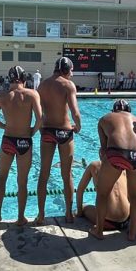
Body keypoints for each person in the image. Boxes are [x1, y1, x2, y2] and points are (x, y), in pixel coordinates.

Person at [0, 66, 43, 226]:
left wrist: (5, 126)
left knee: (2, 178)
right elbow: (40, 119)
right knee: (22, 181)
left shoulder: (2, 96)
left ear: (9, 80)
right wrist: (31, 132)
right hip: (25, 141)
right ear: (24, 80)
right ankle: (20, 217)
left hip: (8, 141)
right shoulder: (32, 94)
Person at [36, 57, 82, 225]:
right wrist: (78, 126)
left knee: (43, 174)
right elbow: (75, 112)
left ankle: (41, 215)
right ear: (66, 70)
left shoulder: (42, 85)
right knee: (67, 175)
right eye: (71, 71)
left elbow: (39, 112)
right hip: (64, 132)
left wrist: (40, 128)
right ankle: (69, 214)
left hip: (47, 132)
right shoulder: (68, 85)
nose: (71, 75)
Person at [92, 99, 136, 241]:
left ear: (114, 111)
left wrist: (107, 168)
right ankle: (132, 233)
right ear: (129, 111)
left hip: (117, 153)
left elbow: (104, 150)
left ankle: (99, 231)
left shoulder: (104, 119)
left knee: (102, 193)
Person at [76, 160, 132, 233]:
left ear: (101, 152)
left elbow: (80, 190)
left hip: (108, 222)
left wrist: (79, 213)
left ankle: (99, 227)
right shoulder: (123, 167)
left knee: (84, 207)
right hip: (127, 220)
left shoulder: (94, 165)